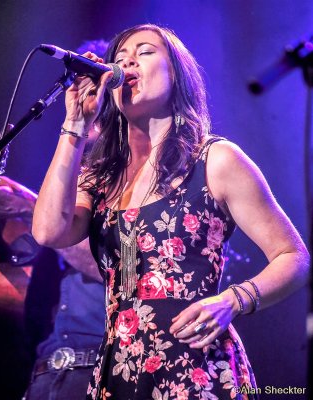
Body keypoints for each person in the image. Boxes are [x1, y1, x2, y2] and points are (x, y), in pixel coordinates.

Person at [32, 24, 310, 399]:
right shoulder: (100, 177)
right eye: (120, 57)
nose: (128, 61)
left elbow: (294, 256)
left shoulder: (215, 159)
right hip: (118, 371)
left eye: (145, 52)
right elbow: (49, 232)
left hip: (197, 369)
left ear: (177, 73)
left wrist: (233, 299)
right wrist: (75, 124)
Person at [0, 175, 105, 400]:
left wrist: (29, 208)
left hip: (96, 367)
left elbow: (113, 267)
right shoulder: (71, 186)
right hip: (42, 373)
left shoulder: (128, 188)